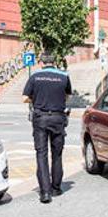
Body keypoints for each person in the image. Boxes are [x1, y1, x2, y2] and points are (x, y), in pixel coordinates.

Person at [23, 53, 72, 203]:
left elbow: (24, 98)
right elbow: (68, 96)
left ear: (41, 62)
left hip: (41, 118)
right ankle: (56, 188)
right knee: (57, 154)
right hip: (58, 117)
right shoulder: (64, 76)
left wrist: (37, 98)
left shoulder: (35, 76)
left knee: (41, 155)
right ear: (54, 61)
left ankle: (45, 193)